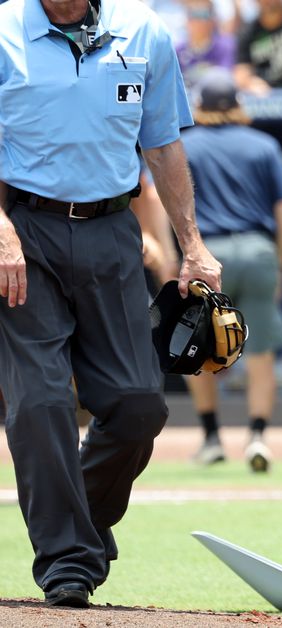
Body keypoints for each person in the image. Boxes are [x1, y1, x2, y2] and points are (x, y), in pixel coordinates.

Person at [0, 0, 221, 609]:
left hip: (113, 230)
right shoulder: (4, 29)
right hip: (25, 231)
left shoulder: (144, 30)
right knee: (41, 401)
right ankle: (67, 563)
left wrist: (192, 245)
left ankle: (82, 519)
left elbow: (164, 145)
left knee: (139, 404)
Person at [182, 70, 282, 472]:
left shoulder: (185, 145)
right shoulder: (264, 144)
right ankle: (258, 437)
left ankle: (212, 438)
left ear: (199, 105)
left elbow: (163, 201)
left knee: (196, 350)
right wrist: (280, 262)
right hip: (257, 249)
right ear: (238, 103)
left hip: (206, 255)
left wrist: (178, 255)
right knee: (260, 352)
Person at [175, 0, 237, 87]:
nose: (199, 22)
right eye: (194, 15)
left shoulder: (225, 46)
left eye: (204, 15)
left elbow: (225, 78)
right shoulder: (178, 50)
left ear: (213, 21)